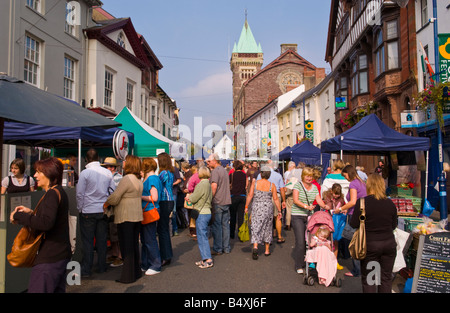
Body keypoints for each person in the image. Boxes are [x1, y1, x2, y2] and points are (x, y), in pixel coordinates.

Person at [10, 157, 71, 293]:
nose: (35, 175)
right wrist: (31, 212)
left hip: (50, 257)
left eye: (38, 172)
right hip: (59, 255)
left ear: (49, 173)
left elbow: (46, 223)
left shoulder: (51, 194)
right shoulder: (59, 191)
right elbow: (51, 219)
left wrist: (18, 216)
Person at [349, 174, 398, 293]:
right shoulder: (390, 203)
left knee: (370, 279)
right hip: (389, 245)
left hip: (370, 245)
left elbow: (354, 224)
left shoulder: (362, 203)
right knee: (385, 279)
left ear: (368, 186)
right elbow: (394, 225)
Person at [103, 155, 143, 284]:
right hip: (136, 215)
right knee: (133, 246)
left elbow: (115, 197)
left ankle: (127, 276)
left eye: (125, 161)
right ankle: (135, 272)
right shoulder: (138, 179)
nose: (123, 162)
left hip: (126, 215)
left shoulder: (126, 179)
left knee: (126, 247)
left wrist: (105, 203)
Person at [76, 149, 115, 277]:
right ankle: (102, 266)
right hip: (102, 210)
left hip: (88, 210)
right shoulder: (107, 173)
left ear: (86, 159)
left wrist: (80, 208)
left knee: (87, 241)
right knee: (102, 240)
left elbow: (80, 193)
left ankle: (87, 269)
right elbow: (112, 190)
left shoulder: (85, 173)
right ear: (98, 158)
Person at [291, 167, 327, 274]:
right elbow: (296, 200)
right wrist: (306, 206)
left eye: (311, 176)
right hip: (298, 214)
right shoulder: (298, 185)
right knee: (301, 241)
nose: (309, 178)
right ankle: (299, 264)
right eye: (307, 176)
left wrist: (326, 206)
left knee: (311, 241)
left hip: (310, 216)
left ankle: (310, 261)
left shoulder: (315, 187)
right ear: (303, 176)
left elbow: (318, 200)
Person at [245, 166, 282, 259]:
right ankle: (267, 250)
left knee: (255, 226)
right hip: (268, 208)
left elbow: (250, 195)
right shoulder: (271, 185)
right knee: (267, 227)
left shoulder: (255, 183)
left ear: (261, 174)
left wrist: (246, 206)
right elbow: (276, 199)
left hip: (257, 207)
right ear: (269, 175)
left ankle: (255, 246)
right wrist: (279, 210)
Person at [339, 164, 367, 278]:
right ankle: (362, 268)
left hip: (354, 215)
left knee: (353, 242)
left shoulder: (353, 184)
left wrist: (340, 209)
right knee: (361, 241)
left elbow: (353, 201)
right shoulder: (362, 182)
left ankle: (356, 269)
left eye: (345, 175)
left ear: (349, 173)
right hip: (362, 214)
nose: (345, 178)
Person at [186, 166, 214, 269]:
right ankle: (205, 258)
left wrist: (189, 197)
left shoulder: (200, 185)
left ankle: (208, 259)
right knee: (203, 236)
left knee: (202, 237)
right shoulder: (208, 184)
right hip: (207, 211)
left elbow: (193, 198)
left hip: (201, 212)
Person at [140, 158, 162, 276]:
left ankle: (155, 264)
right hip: (148, 210)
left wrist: (140, 196)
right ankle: (146, 263)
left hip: (149, 210)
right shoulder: (154, 178)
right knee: (146, 239)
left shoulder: (152, 178)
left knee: (149, 239)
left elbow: (154, 197)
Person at [207, 153, 232, 255]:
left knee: (217, 226)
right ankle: (226, 247)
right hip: (226, 200)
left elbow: (214, 186)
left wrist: (209, 199)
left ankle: (218, 248)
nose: (208, 163)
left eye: (209, 161)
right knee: (225, 225)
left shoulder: (215, 172)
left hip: (218, 201)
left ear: (214, 161)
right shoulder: (224, 170)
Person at [256, 160, 286, 244]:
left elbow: (257, 186)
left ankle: (266, 237)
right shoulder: (278, 175)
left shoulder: (260, 175)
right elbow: (282, 189)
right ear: (273, 166)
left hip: (264, 196)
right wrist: (284, 200)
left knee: (265, 217)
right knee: (277, 217)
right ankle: (279, 236)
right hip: (276, 195)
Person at [102, 157, 123, 268]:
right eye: (105, 167)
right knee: (111, 233)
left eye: (108, 166)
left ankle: (120, 256)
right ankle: (115, 254)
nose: (107, 168)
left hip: (116, 208)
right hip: (109, 208)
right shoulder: (106, 177)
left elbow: (118, 195)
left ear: (113, 167)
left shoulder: (119, 178)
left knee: (116, 233)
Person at [322, 183, 346, 270]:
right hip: (328, 220)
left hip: (337, 221)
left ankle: (335, 261)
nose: (336, 196)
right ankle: (326, 261)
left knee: (336, 242)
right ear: (331, 192)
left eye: (338, 194)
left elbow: (344, 206)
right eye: (335, 194)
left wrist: (344, 209)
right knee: (327, 241)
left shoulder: (341, 199)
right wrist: (329, 206)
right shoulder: (328, 196)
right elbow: (328, 206)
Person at [157, 152, 175, 266]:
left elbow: (157, 185)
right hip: (170, 200)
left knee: (162, 230)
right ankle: (167, 255)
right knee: (164, 229)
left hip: (164, 201)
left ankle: (165, 255)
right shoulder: (171, 173)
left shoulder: (163, 173)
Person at [229, 160, 248, 240]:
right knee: (241, 217)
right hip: (242, 196)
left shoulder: (232, 174)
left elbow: (229, 184)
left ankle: (232, 234)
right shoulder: (244, 175)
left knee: (233, 216)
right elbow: (246, 186)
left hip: (233, 196)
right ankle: (241, 234)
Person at [186, 164, 200, 239]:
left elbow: (190, 187)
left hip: (193, 196)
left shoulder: (193, 177)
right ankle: (198, 232)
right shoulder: (202, 177)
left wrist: (188, 191)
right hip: (200, 197)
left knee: (192, 215)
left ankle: (193, 232)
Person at [171, 163, 182, 236]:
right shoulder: (163, 169)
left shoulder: (174, 169)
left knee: (173, 211)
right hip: (169, 193)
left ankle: (175, 229)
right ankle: (172, 229)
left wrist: (173, 184)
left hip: (173, 192)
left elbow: (179, 179)